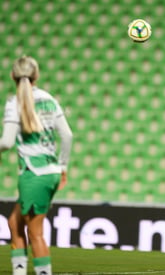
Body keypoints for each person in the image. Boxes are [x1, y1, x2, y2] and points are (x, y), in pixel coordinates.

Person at [0, 56, 73, 275]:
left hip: (34, 173)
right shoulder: (49, 99)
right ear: (36, 76)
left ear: (13, 76)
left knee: (35, 234)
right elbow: (67, 136)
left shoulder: (15, 103)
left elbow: (6, 142)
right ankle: (19, 272)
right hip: (50, 172)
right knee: (14, 223)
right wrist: (63, 167)